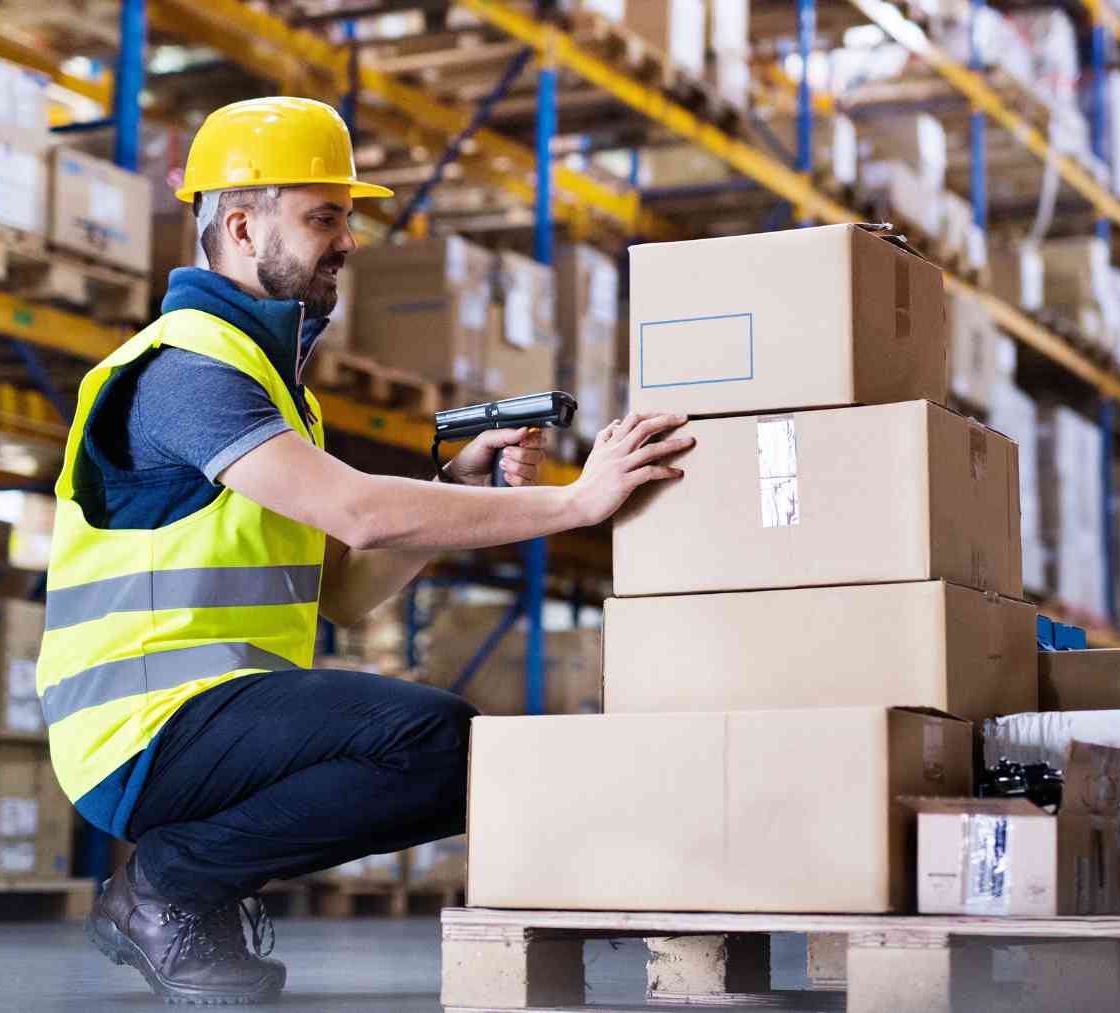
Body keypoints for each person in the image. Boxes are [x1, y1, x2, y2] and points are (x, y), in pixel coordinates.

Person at [40, 96, 692, 1005]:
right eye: (323, 217)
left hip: (207, 716)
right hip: (143, 727)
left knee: (445, 751)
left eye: (346, 219)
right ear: (239, 223)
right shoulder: (187, 373)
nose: (346, 240)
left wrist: (463, 489)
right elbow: (361, 512)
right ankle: (171, 886)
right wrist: (577, 501)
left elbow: (344, 593)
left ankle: (181, 883)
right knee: (434, 740)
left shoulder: (274, 391)